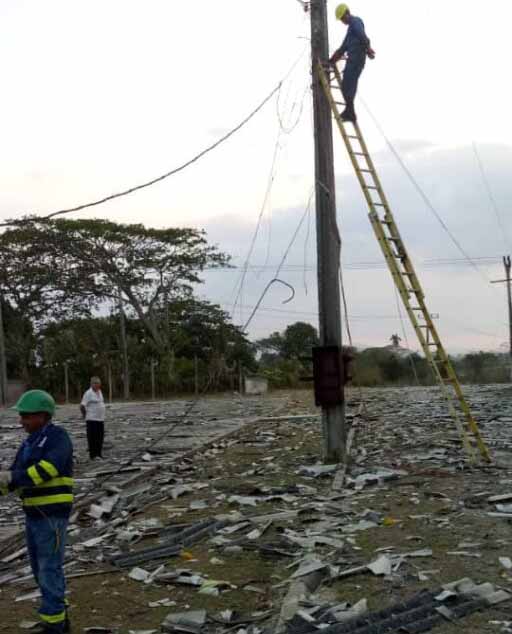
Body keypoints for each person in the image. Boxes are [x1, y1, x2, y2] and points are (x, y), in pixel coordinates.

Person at [0, 390, 73, 633]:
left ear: (43, 415)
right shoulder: (28, 443)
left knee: (49, 569)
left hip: (52, 517)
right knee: (40, 571)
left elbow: (47, 470)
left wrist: (14, 477)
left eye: (26, 417)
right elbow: (13, 478)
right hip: (33, 517)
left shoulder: (57, 438)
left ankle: (54, 626)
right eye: (21, 416)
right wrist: (5, 481)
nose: (21, 421)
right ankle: (58, 619)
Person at [329, 4, 375, 122]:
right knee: (346, 86)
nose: (343, 21)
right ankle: (350, 112)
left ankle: (350, 112)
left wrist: (368, 49)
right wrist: (332, 60)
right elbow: (343, 48)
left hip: (357, 59)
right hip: (352, 61)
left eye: (343, 18)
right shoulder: (350, 31)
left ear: (347, 13)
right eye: (341, 20)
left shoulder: (356, 22)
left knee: (348, 86)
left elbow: (362, 36)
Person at [80, 376, 106, 460]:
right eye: (96, 383)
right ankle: (93, 455)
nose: (98, 385)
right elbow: (82, 406)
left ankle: (99, 454)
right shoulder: (88, 393)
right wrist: (84, 415)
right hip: (92, 419)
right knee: (92, 438)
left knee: (100, 437)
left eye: (99, 383)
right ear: (91, 384)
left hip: (100, 419)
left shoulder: (100, 391)